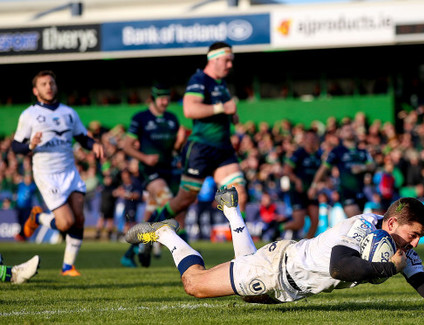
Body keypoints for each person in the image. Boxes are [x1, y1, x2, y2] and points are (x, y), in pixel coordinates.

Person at [125, 187, 424, 316]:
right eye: (413, 236)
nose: (415, 245)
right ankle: (165, 235)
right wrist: (387, 270)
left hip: (288, 282)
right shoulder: (363, 225)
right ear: (393, 223)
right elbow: (339, 267)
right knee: (194, 284)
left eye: (419, 240)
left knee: (248, 291)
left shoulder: (399, 246)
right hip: (276, 269)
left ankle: (232, 211)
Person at [149, 42, 248, 238]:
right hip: (201, 149)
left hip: (223, 151)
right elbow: (190, 109)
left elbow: (224, 110)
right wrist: (222, 109)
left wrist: (232, 117)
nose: (230, 65)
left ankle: (243, 254)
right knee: (183, 200)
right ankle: (149, 234)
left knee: (239, 196)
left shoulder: (221, 84)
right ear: (215, 59)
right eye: (227, 61)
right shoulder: (199, 79)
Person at [11, 70, 104, 276]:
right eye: (43, 84)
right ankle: (37, 218)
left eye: (51, 83)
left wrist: (94, 144)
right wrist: (30, 145)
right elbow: (16, 147)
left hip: (69, 171)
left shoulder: (68, 113)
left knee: (79, 218)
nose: (49, 87)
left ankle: (68, 266)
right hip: (46, 174)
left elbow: (81, 137)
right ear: (36, 91)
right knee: (66, 223)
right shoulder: (29, 114)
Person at [119, 83, 186, 266]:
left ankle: (137, 246)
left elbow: (172, 148)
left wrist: (179, 144)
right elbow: (126, 146)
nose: (165, 102)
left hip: (170, 170)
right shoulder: (140, 118)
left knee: (169, 212)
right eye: (161, 99)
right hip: (149, 170)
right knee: (166, 199)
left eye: (167, 98)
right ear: (152, 99)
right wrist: (145, 158)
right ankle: (185, 247)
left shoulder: (172, 118)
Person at [309, 122, 374, 218]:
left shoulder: (362, 151)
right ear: (341, 134)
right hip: (346, 191)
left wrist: (362, 168)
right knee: (357, 221)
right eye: (346, 130)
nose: (350, 132)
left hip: (361, 191)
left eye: (351, 129)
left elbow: (372, 165)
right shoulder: (337, 151)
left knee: (359, 223)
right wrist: (314, 185)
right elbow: (323, 168)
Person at [283, 129, 322, 238]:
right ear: (304, 139)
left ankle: (305, 244)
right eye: (309, 138)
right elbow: (286, 170)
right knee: (299, 223)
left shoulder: (319, 155)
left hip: (311, 191)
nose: (311, 141)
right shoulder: (299, 154)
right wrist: (297, 180)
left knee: (315, 222)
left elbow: (321, 173)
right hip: (298, 191)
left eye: (314, 138)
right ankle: (278, 228)